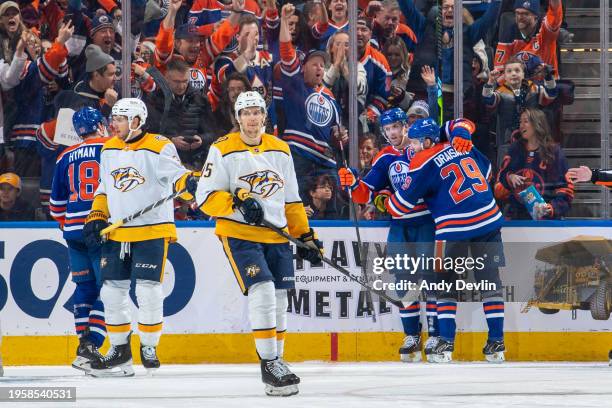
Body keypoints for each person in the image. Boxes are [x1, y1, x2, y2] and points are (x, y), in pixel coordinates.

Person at [195, 91, 323, 396]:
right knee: (263, 289)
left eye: (257, 112)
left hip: (276, 234)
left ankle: (277, 360)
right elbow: (205, 197)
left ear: (265, 116)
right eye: (246, 112)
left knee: (279, 298)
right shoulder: (222, 149)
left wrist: (306, 236)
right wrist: (237, 203)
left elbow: (291, 199)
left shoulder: (280, 149)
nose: (252, 118)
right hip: (240, 234)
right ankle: (268, 363)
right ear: (237, 117)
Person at [82, 98, 199, 377]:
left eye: (120, 119)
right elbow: (104, 187)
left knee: (147, 290)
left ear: (135, 121)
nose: (114, 124)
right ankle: (120, 350)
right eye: (114, 119)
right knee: (112, 292)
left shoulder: (159, 146)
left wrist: (189, 183)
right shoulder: (108, 148)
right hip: (117, 230)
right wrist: (97, 214)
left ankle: (148, 346)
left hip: (151, 229)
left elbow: (178, 179)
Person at [383, 118, 506, 364]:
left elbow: (400, 207)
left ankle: (446, 342)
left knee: (444, 285)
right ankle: (496, 344)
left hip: (454, 228)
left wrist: (383, 199)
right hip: (490, 219)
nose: (413, 147)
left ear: (428, 141)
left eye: (417, 142)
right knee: (490, 283)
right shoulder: (462, 145)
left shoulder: (420, 161)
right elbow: (488, 171)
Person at [338, 109, 440, 362]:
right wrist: (352, 182)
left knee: (430, 280)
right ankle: (412, 335)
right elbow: (364, 195)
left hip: (427, 222)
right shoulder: (384, 158)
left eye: (396, 126)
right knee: (404, 280)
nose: (392, 133)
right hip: (400, 226)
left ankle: (437, 334)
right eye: (387, 129)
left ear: (406, 126)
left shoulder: (423, 148)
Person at [50, 107, 109, 372]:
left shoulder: (64, 156)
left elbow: (55, 207)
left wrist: (71, 226)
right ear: (100, 125)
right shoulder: (111, 147)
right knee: (111, 287)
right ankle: (92, 345)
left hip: (74, 231)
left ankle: (82, 347)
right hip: (102, 228)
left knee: (84, 287)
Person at [495, 108, 573, 220]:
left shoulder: (554, 152)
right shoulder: (514, 149)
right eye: (520, 122)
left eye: (526, 121)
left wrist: (551, 208)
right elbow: (499, 184)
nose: (521, 125)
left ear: (537, 124)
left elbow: (566, 189)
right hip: (517, 217)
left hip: (546, 220)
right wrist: (509, 177)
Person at [483, 56, 557, 165]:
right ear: (505, 76)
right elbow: (487, 100)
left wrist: (548, 77)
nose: (513, 74)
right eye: (509, 71)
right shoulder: (500, 92)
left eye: (517, 70)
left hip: (532, 141)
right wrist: (490, 82)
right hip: (507, 141)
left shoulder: (534, 89)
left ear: (523, 74)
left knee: (531, 172)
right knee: (507, 171)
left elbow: (551, 95)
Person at [495, 0, 563, 78]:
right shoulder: (508, 34)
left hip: (548, 85)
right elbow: (499, 70)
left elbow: (555, 12)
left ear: (536, 16)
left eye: (525, 14)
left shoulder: (546, 32)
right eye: (517, 13)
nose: (520, 17)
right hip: (518, 86)